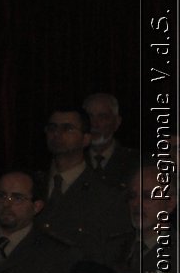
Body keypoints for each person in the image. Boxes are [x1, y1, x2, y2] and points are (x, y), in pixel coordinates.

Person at [36, 105, 127, 263]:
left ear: (86, 138)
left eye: (68, 129)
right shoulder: (33, 184)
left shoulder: (105, 194)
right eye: (52, 128)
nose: (57, 134)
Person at [83, 92, 139, 184]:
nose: (94, 124)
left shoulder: (135, 162)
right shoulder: (73, 160)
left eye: (102, 117)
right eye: (90, 117)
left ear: (117, 122)